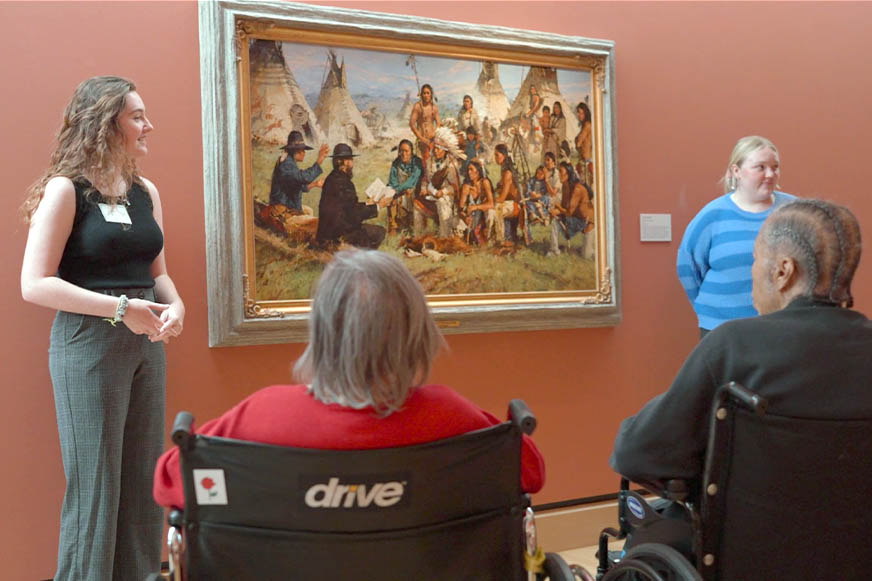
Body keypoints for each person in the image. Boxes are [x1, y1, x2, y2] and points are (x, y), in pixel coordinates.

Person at [153, 249, 545, 509]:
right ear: (417, 331)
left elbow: (170, 480)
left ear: (322, 333)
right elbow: (530, 471)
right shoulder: (453, 415)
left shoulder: (261, 415)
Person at [19, 76, 185, 580]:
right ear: (104, 122)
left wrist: (175, 305)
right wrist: (120, 308)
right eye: (137, 116)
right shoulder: (66, 190)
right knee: (95, 489)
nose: (148, 125)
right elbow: (34, 284)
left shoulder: (145, 193)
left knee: (141, 485)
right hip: (87, 343)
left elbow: (157, 274)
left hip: (145, 344)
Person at [611, 198, 869, 511]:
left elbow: (636, 454)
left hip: (751, 537)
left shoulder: (732, 345)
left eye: (755, 259)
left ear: (783, 271)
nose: (752, 271)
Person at [676, 136, 795, 337]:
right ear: (736, 171)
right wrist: (712, 310)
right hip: (720, 329)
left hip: (780, 327)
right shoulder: (712, 215)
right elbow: (688, 268)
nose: (770, 174)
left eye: (775, 167)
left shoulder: (794, 211)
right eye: (760, 167)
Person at [315, 143, 387, 249]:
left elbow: (347, 207)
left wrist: (367, 203)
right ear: (344, 162)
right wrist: (378, 206)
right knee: (379, 232)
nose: (352, 164)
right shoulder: (345, 183)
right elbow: (353, 214)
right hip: (339, 235)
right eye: (351, 160)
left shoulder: (332, 178)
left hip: (327, 233)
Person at [418, 126, 465, 238]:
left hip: (448, 197)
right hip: (431, 194)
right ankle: (419, 236)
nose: (435, 151)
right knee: (417, 204)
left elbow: (454, 187)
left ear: (444, 151)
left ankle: (445, 237)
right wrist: (423, 188)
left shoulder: (451, 164)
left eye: (438, 149)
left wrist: (442, 192)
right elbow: (426, 179)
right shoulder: (430, 161)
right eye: (434, 148)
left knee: (442, 202)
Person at [267, 130, 328, 215]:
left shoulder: (289, 162)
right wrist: (319, 161)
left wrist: (315, 184)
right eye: (302, 150)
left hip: (289, 207)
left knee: (309, 211)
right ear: (295, 151)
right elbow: (303, 178)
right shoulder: (286, 164)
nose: (304, 153)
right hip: (282, 210)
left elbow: (298, 185)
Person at [548, 162, 594, 258]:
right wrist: (555, 211)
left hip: (587, 222)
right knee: (554, 223)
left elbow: (568, 212)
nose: (558, 175)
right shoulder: (565, 186)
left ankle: (590, 249)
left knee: (586, 255)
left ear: (568, 174)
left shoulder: (577, 189)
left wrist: (557, 207)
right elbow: (565, 207)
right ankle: (554, 250)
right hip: (576, 219)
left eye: (561, 172)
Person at [385, 138, 422, 234]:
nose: (404, 154)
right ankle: (394, 226)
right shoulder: (396, 163)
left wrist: (397, 190)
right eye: (401, 151)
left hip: (414, 189)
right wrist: (394, 191)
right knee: (390, 196)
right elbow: (392, 181)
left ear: (411, 152)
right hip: (399, 190)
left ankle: (410, 224)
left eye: (406, 151)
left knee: (407, 195)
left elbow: (412, 181)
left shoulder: (417, 162)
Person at [459, 160, 496, 246]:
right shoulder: (466, 187)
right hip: (472, 218)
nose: (469, 172)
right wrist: (465, 217)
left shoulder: (485, 183)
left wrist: (475, 207)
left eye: (471, 169)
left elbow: (491, 204)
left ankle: (490, 240)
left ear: (478, 171)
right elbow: (461, 208)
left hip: (483, 215)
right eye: (468, 170)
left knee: (490, 213)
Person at [493, 143, 524, 245]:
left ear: (504, 156)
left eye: (497, 155)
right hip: (508, 202)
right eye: (495, 155)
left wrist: (490, 200)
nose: (495, 158)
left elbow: (502, 198)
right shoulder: (503, 170)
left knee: (496, 209)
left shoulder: (507, 173)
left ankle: (501, 239)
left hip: (514, 205)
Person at [409, 83, 440, 166]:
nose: (426, 95)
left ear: (431, 94)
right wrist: (421, 138)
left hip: (432, 140)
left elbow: (438, 123)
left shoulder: (434, 107)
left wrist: (434, 133)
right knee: (422, 164)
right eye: (424, 93)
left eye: (428, 93)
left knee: (433, 164)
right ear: (421, 95)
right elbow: (412, 124)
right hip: (421, 141)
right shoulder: (417, 106)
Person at [574, 102, 593, 185]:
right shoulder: (584, 125)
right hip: (583, 160)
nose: (579, 115)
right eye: (578, 112)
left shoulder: (587, 125)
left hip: (587, 161)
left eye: (582, 113)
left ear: (585, 113)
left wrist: (577, 141)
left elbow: (578, 142)